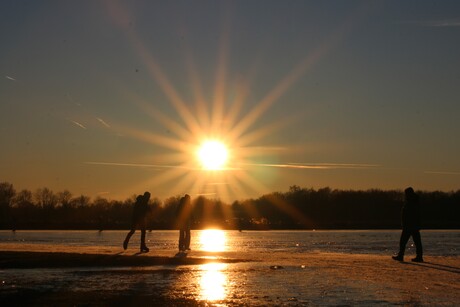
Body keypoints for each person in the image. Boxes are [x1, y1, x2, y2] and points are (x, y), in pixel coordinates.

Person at [392, 187, 423, 262]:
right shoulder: (412, 201)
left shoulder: (412, 202)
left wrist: (408, 223)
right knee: (416, 242)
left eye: (406, 193)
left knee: (404, 242)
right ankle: (418, 256)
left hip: (410, 226)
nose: (405, 195)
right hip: (411, 225)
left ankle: (402, 256)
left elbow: (413, 214)